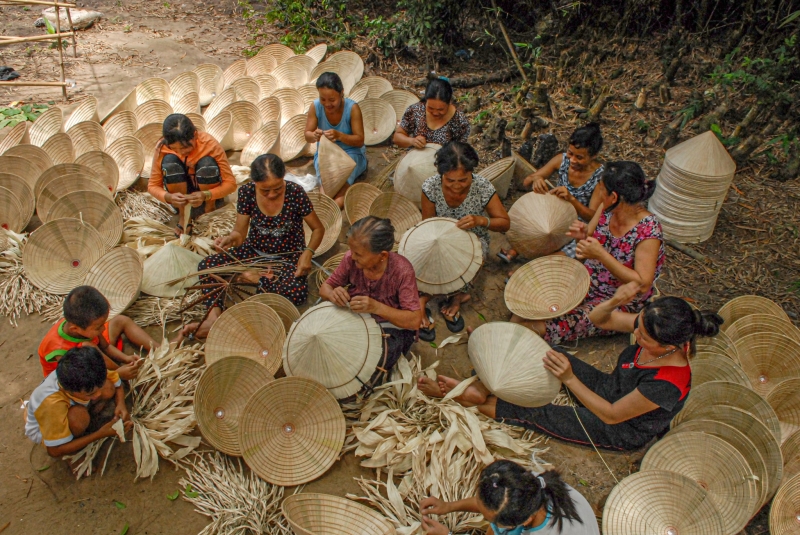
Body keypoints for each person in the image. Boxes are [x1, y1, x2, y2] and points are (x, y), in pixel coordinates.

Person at [419, 283, 724, 451]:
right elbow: (599, 320)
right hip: (609, 389)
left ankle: (462, 394)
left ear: (670, 346)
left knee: (538, 411)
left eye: (644, 335)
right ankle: (484, 384)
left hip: (618, 428)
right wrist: (615, 299)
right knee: (546, 352)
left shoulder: (666, 384)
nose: (637, 334)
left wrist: (570, 379)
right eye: (639, 327)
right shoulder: (656, 330)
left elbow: (611, 414)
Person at [511, 161, 665, 345]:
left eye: (601, 189)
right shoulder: (606, 209)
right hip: (586, 280)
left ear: (613, 196)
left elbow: (642, 284)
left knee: (543, 326)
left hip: (616, 301)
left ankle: (503, 342)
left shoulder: (648, 231)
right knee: (531, 303)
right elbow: (585, 249)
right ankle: (502, 335)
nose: (598, 194)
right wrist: (580, 237)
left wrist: (601, 255)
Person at [180, 154, 325, 340]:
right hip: (252, 252)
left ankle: (254, 280)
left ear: (284, 179)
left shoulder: (295, 193)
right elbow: (239, 234)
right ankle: (214, 317)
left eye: (278, 189)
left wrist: (308, 252)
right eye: (265, 190)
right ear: (255, 182)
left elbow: (318, 229)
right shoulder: (247, 192)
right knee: (206, 266)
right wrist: (229, 240)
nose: (272, 194)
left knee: (297, 293)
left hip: (287, 258)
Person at [418, 141, 510, 338]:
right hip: (440, 238)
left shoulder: (482, 187)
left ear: (471, 173)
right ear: (441, 174)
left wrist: (481, 220)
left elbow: (504, 223)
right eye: (450, 180)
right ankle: (432, 296)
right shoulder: (431, 187)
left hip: (473, 240)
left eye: (463, 180)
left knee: (465, 267)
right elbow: (428, 225)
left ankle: (453, 297)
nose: (457, 186)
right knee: (422, 261)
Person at [319, 216, 420, 388]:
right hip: (355, 317)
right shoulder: (350, 259)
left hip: (389, 327)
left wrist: (377, 307)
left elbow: (414, 320)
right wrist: (333, 294)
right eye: (352, 251)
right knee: (323, 338)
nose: (353, 258)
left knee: (374, 359)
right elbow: (325, 289)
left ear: (382, 255)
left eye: (359, 255)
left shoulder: (402, 271)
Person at [500, 123, 605, 261]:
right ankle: (517, 249)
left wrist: (571, 200)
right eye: (570, 153)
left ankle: (534, 268)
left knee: (566, 254)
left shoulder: (600, 177)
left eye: (579, 157)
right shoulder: (562, 160)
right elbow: (526, 181)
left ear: (594, 156)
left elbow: (593, 217)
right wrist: (537, 179)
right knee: (537, 228)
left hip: (578, 227)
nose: (572, 160)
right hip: (553, 213)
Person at [420, 460, 600, 535]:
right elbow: (492, 504)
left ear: (525, 520)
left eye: (489, 518)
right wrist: (448, 506)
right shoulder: (526, 484)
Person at [25, 346, 132, 458]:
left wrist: (121, 404)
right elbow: (54, 451)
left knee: (107, 387)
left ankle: (88, 417)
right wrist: (100, 434)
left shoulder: (89, 370)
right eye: (91, 394)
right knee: (79, 417)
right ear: (68, 390)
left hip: (71, 404)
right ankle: (72, 451)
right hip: (47, 427)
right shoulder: (52, 404)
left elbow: (116, 383)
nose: (98, 394)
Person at [38, 286, 154, 380]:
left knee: (120, 320)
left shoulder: (84, 324)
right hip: (77, 373)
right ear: (75, 329)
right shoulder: (59, 350)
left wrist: (126, 358)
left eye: (103, 324)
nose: (103, 329)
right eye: (99, 327)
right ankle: (122, 374)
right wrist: (117, 374)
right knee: (89, 348)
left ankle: (158, 347)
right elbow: (82, 377)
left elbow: (106, 346)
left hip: (93, 348)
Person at [147, 113, 236, 235]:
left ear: (195, 136)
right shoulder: (162, 147)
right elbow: (152, 185)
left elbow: (230, 184)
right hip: (180, 193)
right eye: (175, 149)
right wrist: (168, 197)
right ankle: (184, 215)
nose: (181, 153)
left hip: (209, 192)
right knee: (170, 163)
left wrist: (206, 195)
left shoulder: (209, 144)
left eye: (185, 148)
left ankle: (209, 209)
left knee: (207, 163)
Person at [305, 72, 367, 208]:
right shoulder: (315, 106)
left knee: (342, 181)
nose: (327, 104)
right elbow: (307, 135)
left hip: (350, 153)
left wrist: (339, 136)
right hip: (325, 153)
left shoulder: (352, 108)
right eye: (323, 99)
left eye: (332, 100)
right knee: (327, 182)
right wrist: (314, 135)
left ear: (341, 93)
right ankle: (326, 207)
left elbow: (360, 140)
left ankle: (329, 209)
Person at [393, 77, 470, 148]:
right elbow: (397, 137)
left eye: (440, 110)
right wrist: (412, 141)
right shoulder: (416, 110)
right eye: (430, 108)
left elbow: (462, 150)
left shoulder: (460, 120)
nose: (435, 113)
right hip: (415, 159)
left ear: (449, 103)